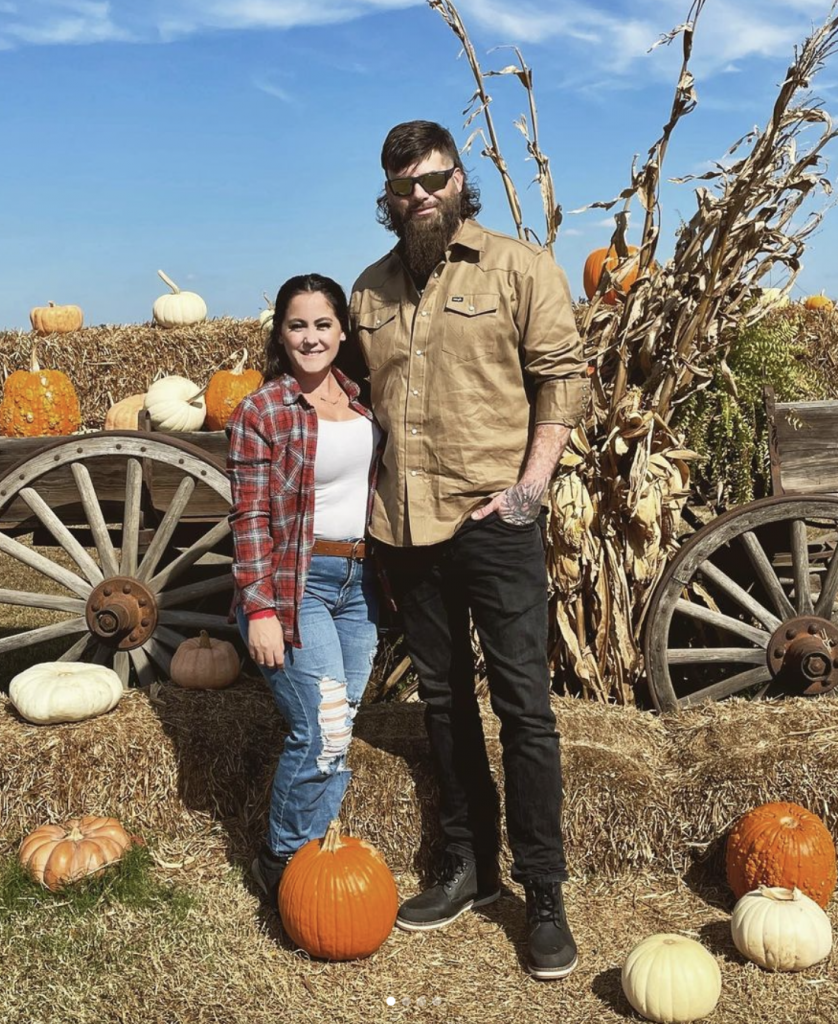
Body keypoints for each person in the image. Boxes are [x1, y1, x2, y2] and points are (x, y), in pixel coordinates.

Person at [349, 121, 588, 980]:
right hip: (404, 527)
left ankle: (546, 893)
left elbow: (563, 377)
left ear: (460, 181)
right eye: (403, 185)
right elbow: (346, 393)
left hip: (495, 523)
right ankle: (468, 866)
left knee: (525, 708)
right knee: (444, 704)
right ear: (387, 194)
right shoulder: (367, 290)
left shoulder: (520, 268)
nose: (418, 196)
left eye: (433, 180)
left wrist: (527, 492)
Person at [226, 273, 381, 907]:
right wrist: (260, 606)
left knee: (339, 725)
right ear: (281, 334)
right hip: (298, 584)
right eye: (297, 325)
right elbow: (251, 517)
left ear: (342, 331)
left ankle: (322, 856)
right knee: (318, 728)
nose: (311, 337)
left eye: (322, 324)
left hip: (361, 582)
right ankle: (284, 863)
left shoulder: (367, 404)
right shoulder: (261, 411)